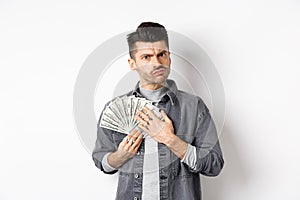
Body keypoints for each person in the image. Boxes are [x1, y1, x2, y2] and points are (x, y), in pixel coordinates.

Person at [92, 22, 224, 200]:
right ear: (132, 63)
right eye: (146, 57)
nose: (157, 63)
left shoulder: (194, 106)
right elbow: (101, 160)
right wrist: (120, 156)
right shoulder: (114, 107)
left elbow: (214, 165)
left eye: (162, 54)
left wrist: (170, 139)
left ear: (169, 58)